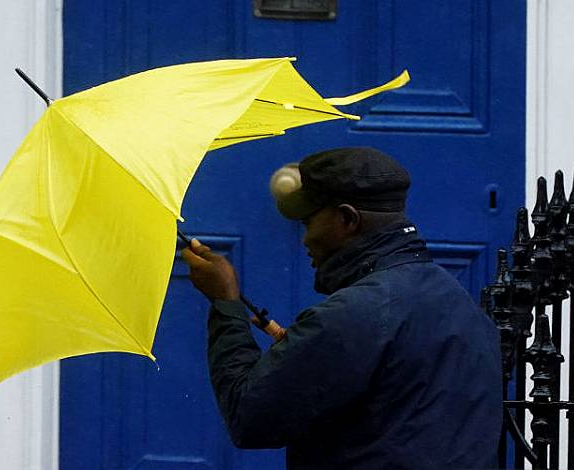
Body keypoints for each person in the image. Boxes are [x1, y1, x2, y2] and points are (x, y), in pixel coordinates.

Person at [180, 146, 502, 469]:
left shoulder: (353, 315)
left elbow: (248, 417)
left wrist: (225, 302)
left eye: (309, 223)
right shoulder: (457, 300)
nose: (305, 240)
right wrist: (309, 350)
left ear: (347, 219)